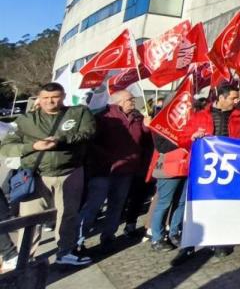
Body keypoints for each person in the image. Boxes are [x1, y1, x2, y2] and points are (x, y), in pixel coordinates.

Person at [0, 82, 95, 266]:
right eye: (45, 98)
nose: (50, 101)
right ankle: (24, 259)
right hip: (36, 176)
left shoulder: (78, 113)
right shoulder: (26, 120)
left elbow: (88, 133)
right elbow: (6, 147)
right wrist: (33, 146)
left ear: (63, 96)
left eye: (55, 97)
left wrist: (61, 140)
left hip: (70, 172)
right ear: (39, 98)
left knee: (67, 214)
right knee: (30, 219)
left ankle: (65, 252)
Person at [78, 89, 149, 251]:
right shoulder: (105, 116)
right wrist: (106, 158)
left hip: (126, 170)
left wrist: (147, 126)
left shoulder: (137, 117)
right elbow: (91, 141)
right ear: (119, 102)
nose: (133, 102)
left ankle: (109, 236)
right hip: (104, 170)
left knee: (117, 205)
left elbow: (144, 139)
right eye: (130, 99)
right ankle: (78, 241)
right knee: (93, 206)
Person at [186, 84, 240, 259]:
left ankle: (221, 240)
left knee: (226, 204)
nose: (236, 101)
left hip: (230, 167)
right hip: (205, 167)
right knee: (204, 203)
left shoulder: (239, 116)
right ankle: (194, 240)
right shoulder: (200, 115)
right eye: (233, 98)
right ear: (221, 97)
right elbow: (184, 137)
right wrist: (192, 136)